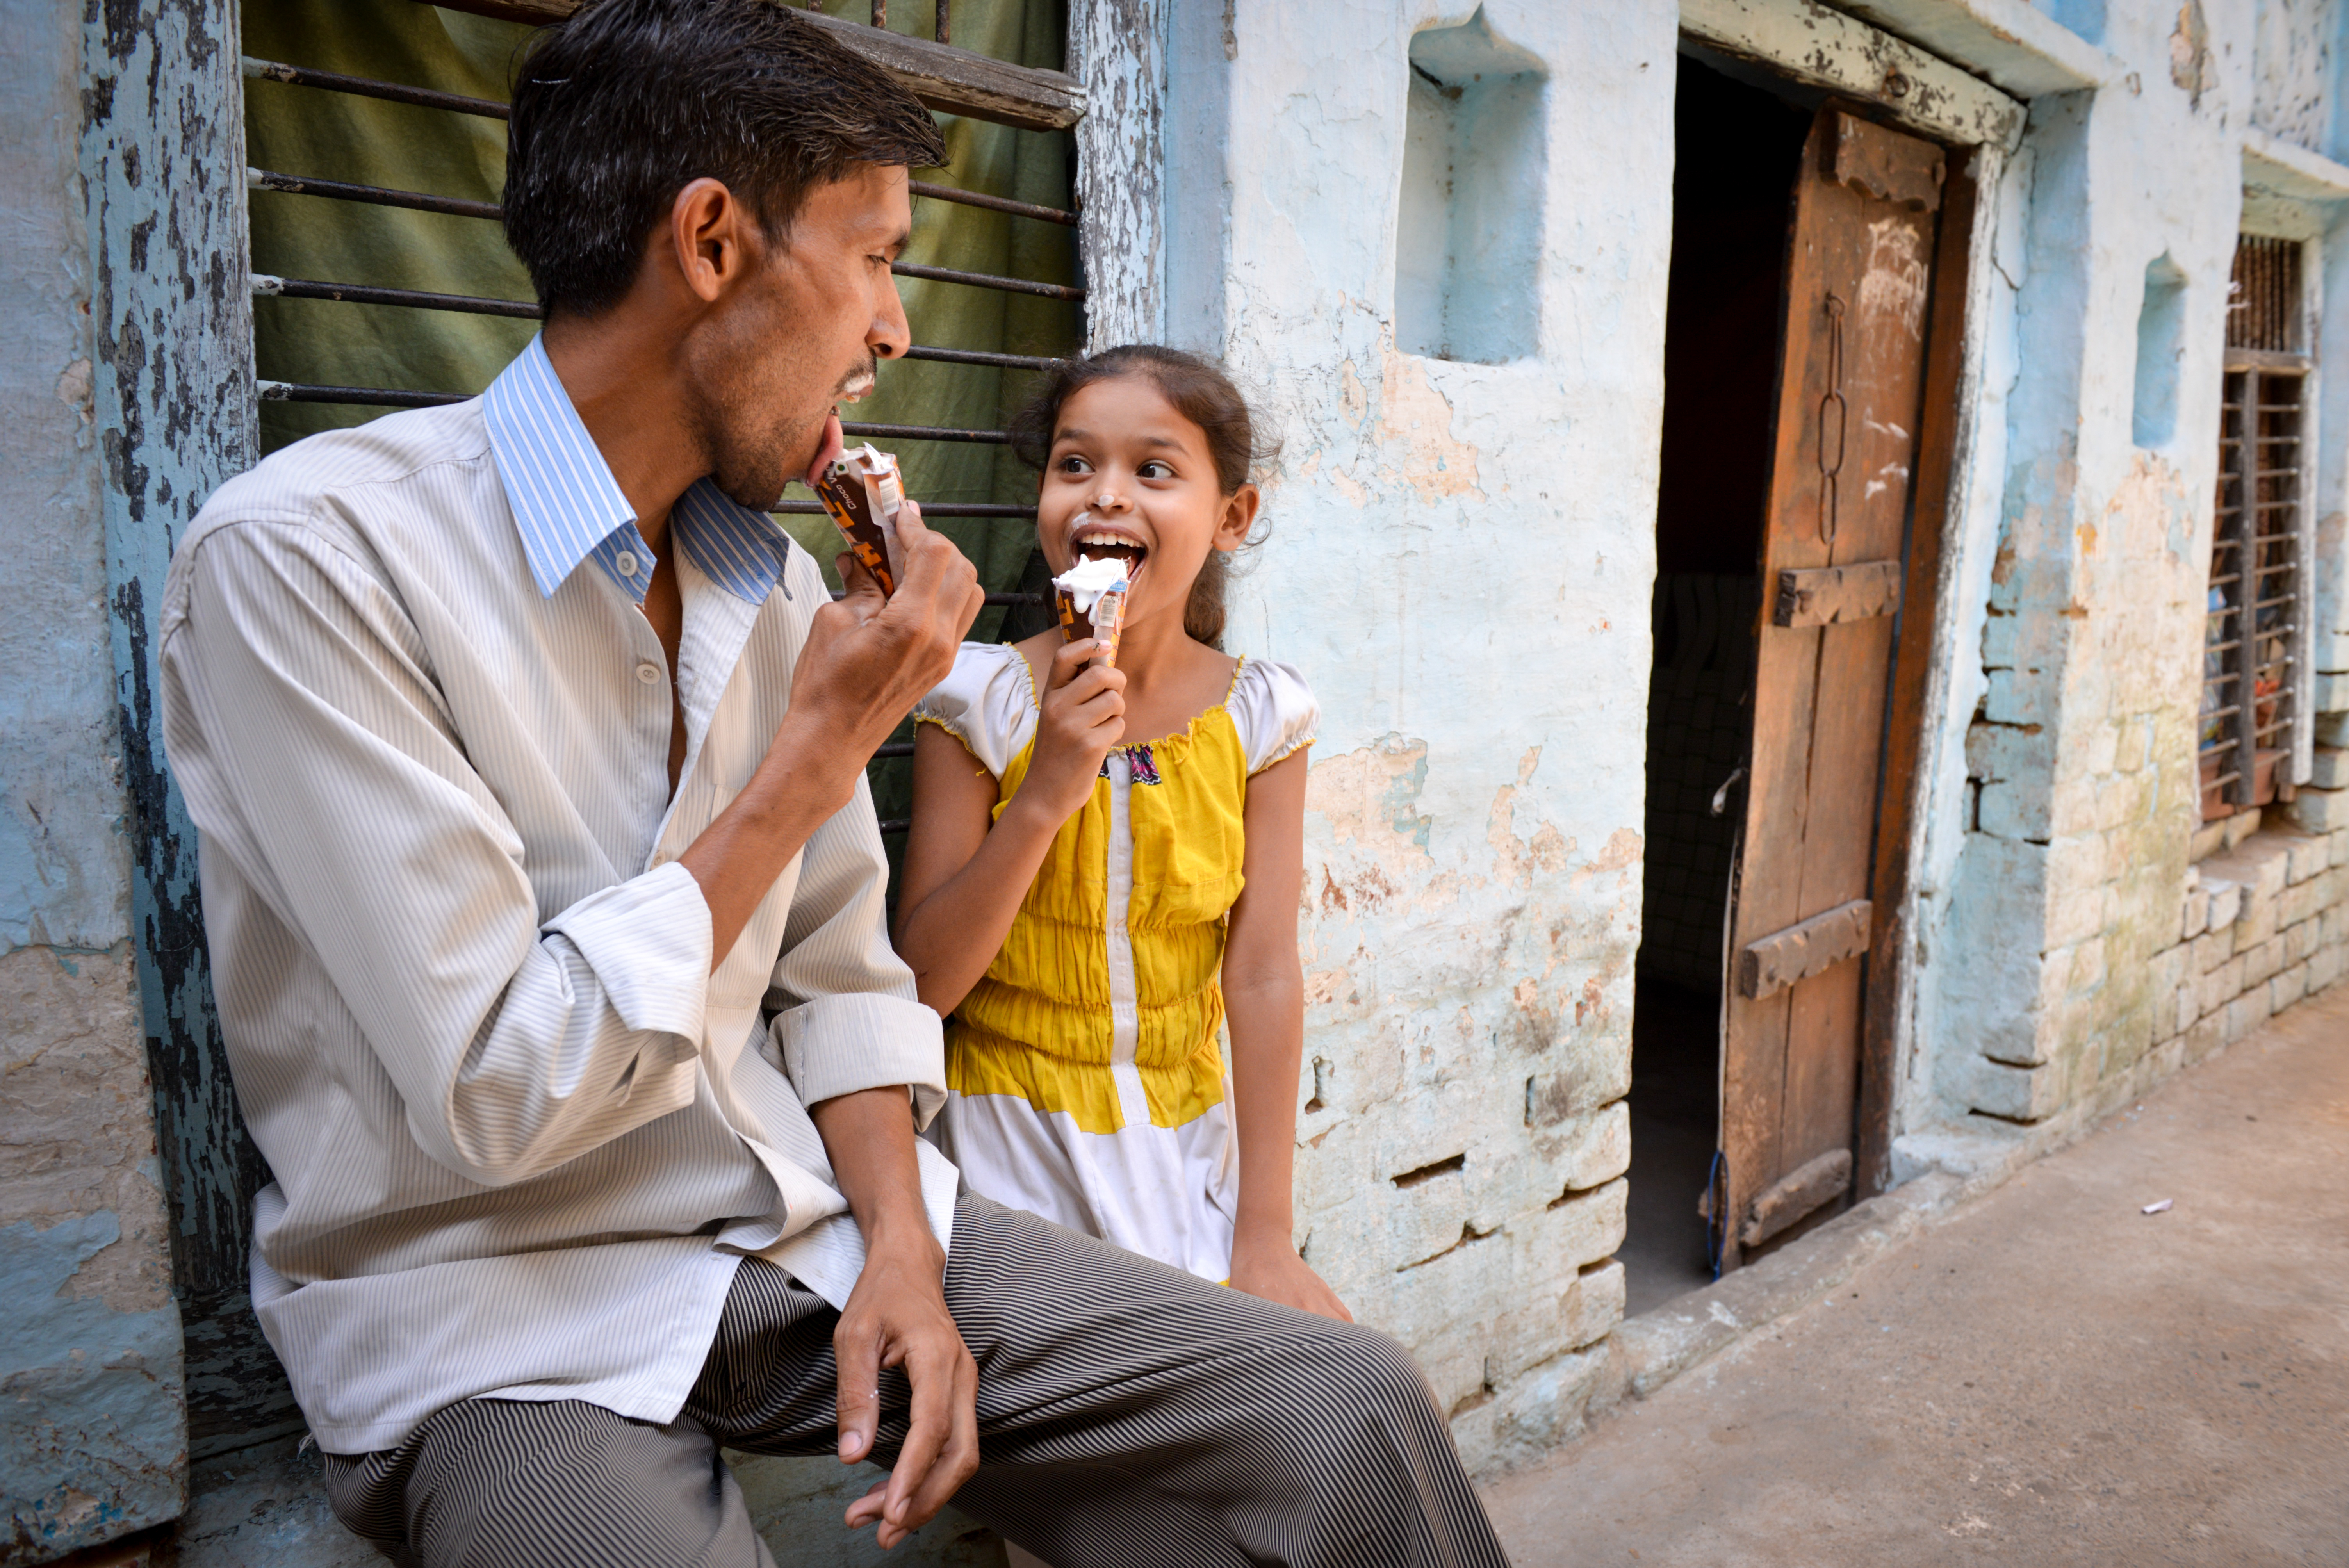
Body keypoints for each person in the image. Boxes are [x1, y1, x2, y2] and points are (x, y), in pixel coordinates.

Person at [157, 2, 1510, 1564]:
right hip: (491, 1304)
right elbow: (495, 1090)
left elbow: (843, 979)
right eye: (874, 257)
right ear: (715, 244)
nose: (893, 331)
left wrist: (909, 1253)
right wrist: (817, 754)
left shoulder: (786, 589)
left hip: (802, 1217)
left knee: (1343, 1401)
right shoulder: (311, 557)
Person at [895, 347, 1348, 1324]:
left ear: (1231, 517)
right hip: (1005, 1160)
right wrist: (1050, 786)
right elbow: (920, 984)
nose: (1104, 498)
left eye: (1153, 469)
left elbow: (1263, 973)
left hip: (1190, 1160)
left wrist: (1263, 1233)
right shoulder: (979, 700)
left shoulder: (1259, 717)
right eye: (1073, 465)